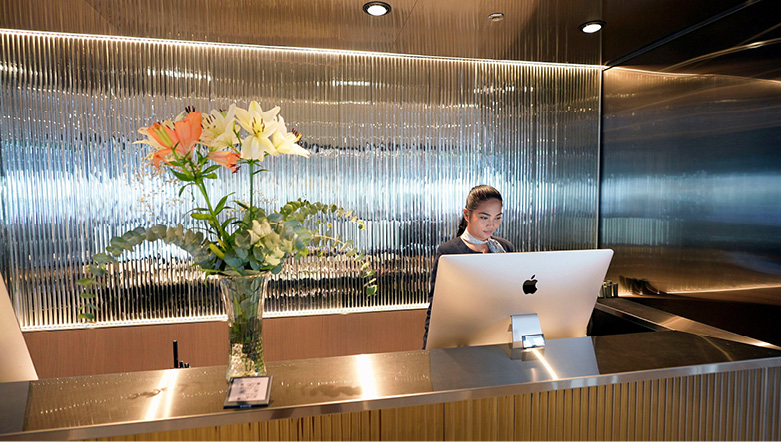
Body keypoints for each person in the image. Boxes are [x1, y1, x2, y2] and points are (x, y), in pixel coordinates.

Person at [423, 185, 515, 348]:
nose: (491, 225)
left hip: (501, 337)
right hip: (463, 340)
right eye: (484, 218)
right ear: (467, 215)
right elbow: (436, 308)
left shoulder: (505, 248)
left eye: (497, 218)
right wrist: (428, 349)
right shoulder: (449, 252)